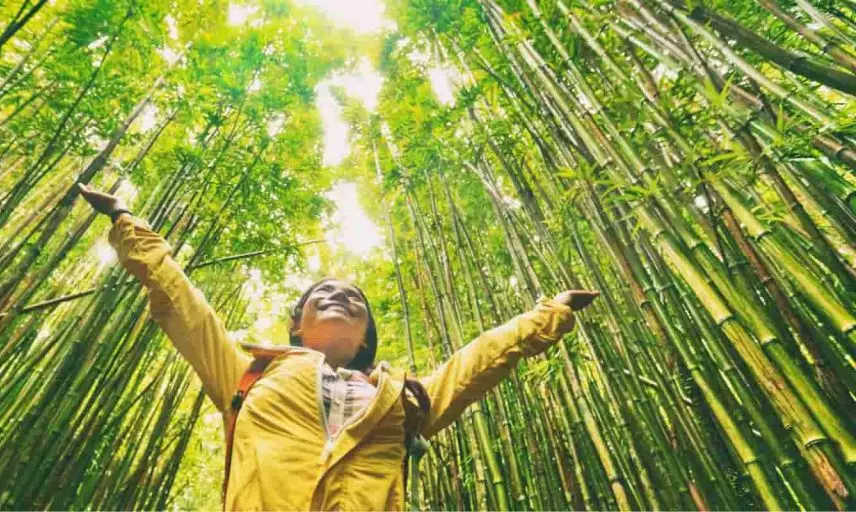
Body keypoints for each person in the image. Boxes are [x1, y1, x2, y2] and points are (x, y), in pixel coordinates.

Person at [77, 183, 599, 511]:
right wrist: (126, 221)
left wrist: (551, 313)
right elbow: (181, 303)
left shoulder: (406, 399)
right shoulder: (246, 373)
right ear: (296, 325)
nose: (339, 296)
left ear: (366, 334)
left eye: (353, 297)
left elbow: (478, 360)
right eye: (321, 294)